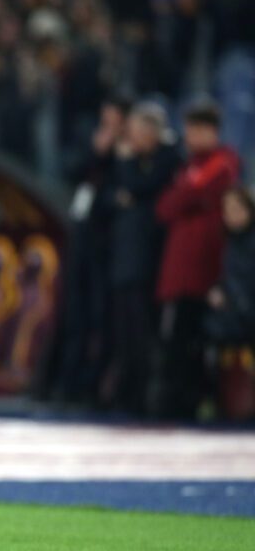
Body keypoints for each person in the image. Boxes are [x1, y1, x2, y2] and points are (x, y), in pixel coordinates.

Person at [154, 102, 241, 419]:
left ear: (210, 131)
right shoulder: (190, 166)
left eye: (194, 130)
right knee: (176, 340)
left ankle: (192, 403)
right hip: (181, 269)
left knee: (192, 343)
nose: (188, 136)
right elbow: (165, 208)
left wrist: (185, 197)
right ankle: (178, 402)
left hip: (203, 268)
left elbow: (180, 200)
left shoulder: (220, 164)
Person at [101, 103, 179, 414]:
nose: (131, 139)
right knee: (124, 333)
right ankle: (127, 394)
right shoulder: (136, 161)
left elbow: (137, 187)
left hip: (148, 260)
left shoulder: (167, 158)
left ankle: (146, 398)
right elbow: (109, 197)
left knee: (144, 333)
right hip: (124, 259)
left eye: (137, 132)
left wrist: (127, 166)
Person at [53, 95, 130, 405]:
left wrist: (116, 156)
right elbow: (70, 170)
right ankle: (67, 383)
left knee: (102, 316)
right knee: (74, 312)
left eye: (114, 119)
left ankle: (95, 386)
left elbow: (123, 193)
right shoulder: (92, 139)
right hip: (83, 237)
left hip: (109, 244)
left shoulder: (129, 151)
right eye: (105, 118)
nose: (108, 125)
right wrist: (96, 153)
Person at [204, 186, 255, 346]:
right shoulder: (230, 243)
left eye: (237, 208)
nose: (232, 215)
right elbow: (229, 276)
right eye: (227, 210)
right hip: (235, 317)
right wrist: (219, 290)